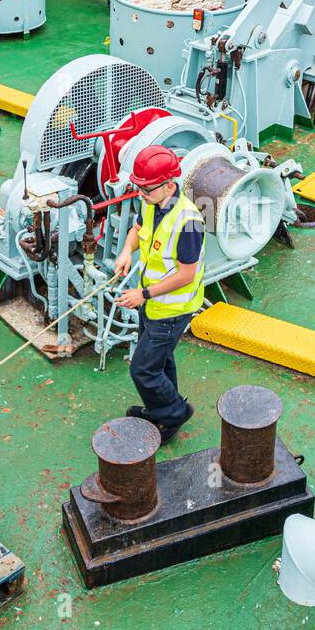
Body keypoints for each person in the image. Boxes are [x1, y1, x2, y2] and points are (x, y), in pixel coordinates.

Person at [113, 145, 207, 443]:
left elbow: (186, 274)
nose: (141, 194)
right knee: (161, 360)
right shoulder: (152, 203)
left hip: (171, 309)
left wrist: (144, 293)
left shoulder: (188, 222)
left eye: (146, 189)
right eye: (138, 188)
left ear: (169, 186)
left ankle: (173, 413)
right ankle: (163, 412)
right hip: (153, 305)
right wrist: (127, 252)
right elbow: (137, 229)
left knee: (142, 369)